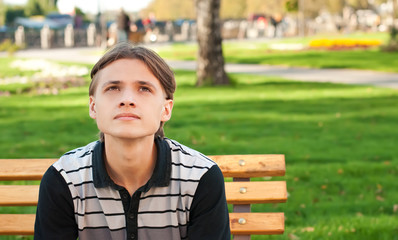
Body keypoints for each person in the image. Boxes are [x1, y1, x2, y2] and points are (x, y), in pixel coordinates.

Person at [34, 42, 230, 240]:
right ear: (93, 107)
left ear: (166, 109)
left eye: (144, 89)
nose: (127, 99)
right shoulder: (64, 179)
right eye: (113, 88)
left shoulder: (200, 178)